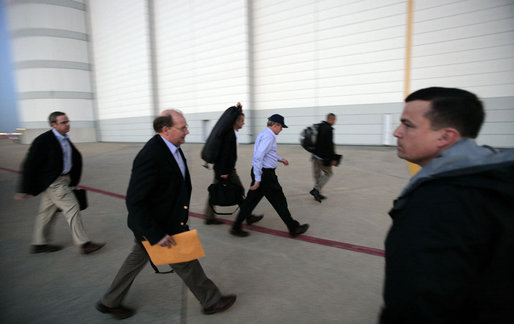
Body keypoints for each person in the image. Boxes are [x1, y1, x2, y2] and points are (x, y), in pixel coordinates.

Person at [380, 87, 514, 323]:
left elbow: (418, 303)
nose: (396, 132)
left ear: (445, 137)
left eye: (408, 125)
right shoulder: (497, 178)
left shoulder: (434, 206)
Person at [96, 110, 236, 320]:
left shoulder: (172, 149)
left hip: (160, 222)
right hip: (159, 226)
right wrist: (156, 234)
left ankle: (109, 301)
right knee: (185, 261)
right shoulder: (151, 156)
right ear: (165, 129)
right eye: (182, 128)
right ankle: (211, 300)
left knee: (136, 259)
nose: (187, 132)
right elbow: (135, 201)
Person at [14, 111, 104, 255]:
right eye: (63, 122)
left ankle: (39, 243)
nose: (67, 124)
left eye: (68, 121)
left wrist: (72, 180)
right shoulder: (43, 140)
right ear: (53, 125)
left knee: (46, 213)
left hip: (64, 180)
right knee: (72, 208)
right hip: (54, 182)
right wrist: (24, 189)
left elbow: (73, 158)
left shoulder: (64, 138)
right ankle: (84, 243)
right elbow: (29, 164)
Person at [230, 114, 310, 238]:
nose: (281, 129)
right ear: (275, 125)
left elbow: (266, 154)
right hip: (265, 175)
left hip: (261, 173)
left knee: (250, 201)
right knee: (279, 201)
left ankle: (238, 225)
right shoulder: (269, 136)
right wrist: (258, 179)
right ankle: (293, 227)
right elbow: (258, 157)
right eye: (281, 127)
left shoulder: (264, 134)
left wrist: (279, 159)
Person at [203, 102, 263, 225]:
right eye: (242, 120)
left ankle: (210, 216)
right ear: (236, 121)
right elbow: (224, 155)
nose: (244, 123)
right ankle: (247, 216)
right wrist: (224, 172)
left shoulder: (231, 132)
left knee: (222, 190)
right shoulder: (229, 134)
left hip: (226, 169)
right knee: (235, 190)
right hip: (225, 170)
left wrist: (239, 109)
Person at [309, 113, 339, 202]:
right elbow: (330, 145)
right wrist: (333, 158)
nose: (335, 122)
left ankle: (317, 193)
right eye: (334, 120)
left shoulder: (319, 126)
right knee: (328, 173)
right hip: (322, 157)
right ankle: (316, 190)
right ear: (331, 119)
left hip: (314, 155)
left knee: (317, 175)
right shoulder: (329, 129)